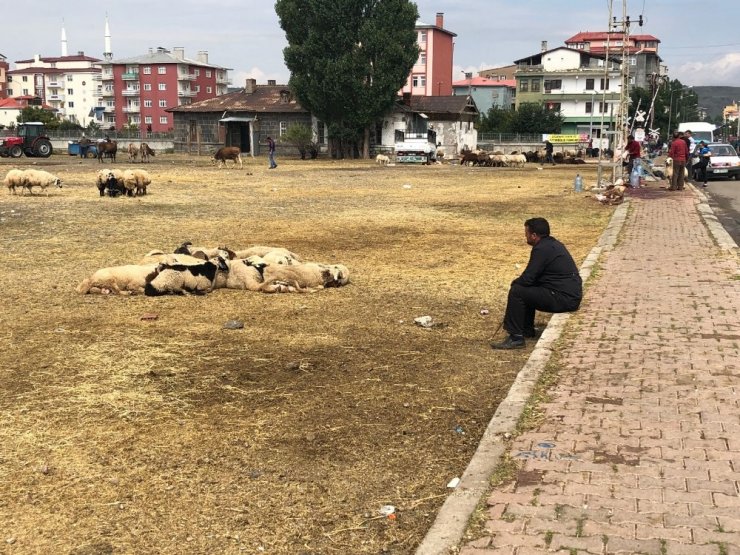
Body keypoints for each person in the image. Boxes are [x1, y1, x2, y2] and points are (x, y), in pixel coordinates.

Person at [490, 217, 583, 350]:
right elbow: (532, 278)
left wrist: (515, 283)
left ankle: (516, 337)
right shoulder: (552, 245)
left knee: (517, 291)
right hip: (569, 295)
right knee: (526, 289)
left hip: (564, 298)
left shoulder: (541, 249)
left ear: (534, 235)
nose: (525, 236)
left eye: (526, 233)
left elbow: (528, 278)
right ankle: (526, 329)